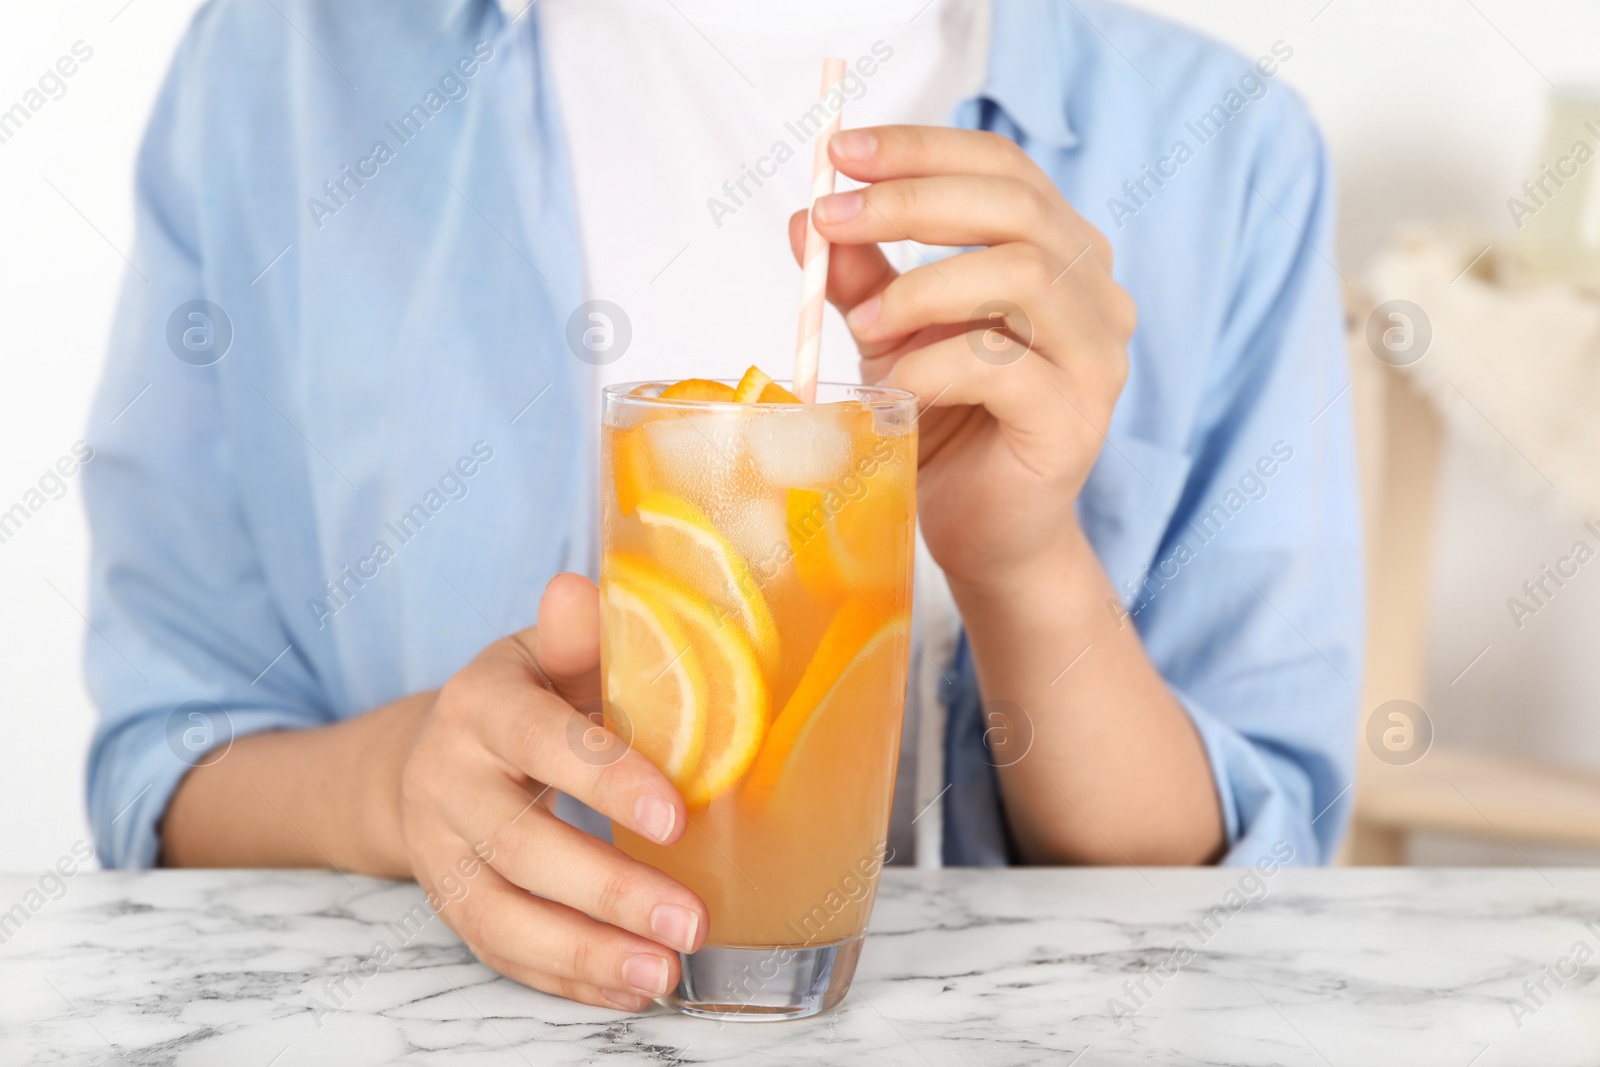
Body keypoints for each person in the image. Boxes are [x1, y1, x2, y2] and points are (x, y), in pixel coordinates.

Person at [84, 0, 1361, 1012]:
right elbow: (168, 762)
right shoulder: (276, 67)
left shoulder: (1228, 145)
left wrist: (1019, 560)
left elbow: (1239, 878)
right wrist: (398, 786)